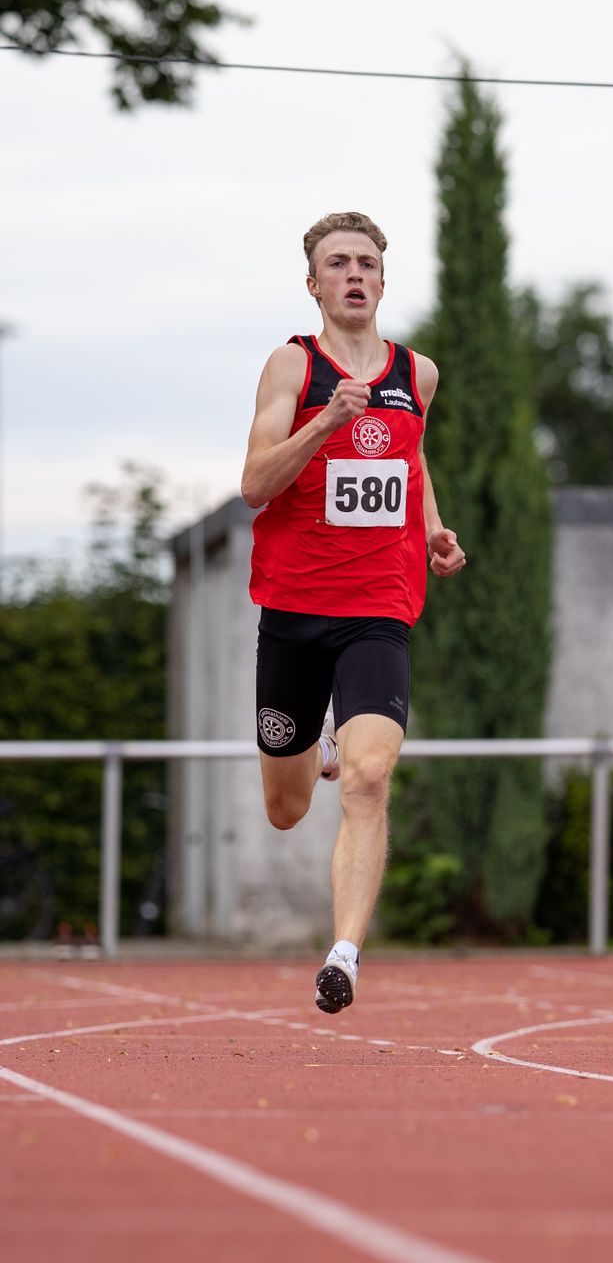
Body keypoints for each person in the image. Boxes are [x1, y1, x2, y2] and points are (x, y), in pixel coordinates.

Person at [241, 212, 467, 1014]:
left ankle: (344, 954)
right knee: (287, 806)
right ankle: (316, 750)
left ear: (382, 279)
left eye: (366, 262)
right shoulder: (291, 369)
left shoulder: (418, 373)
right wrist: (326, 422)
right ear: (314, 284)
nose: (354, 275)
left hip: (379, 606)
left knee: (371, 777)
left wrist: (433, 526)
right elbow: (256, 484)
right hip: (294, 610)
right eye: (337, 263)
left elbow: (411, 454)